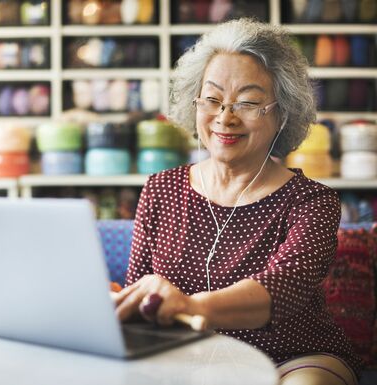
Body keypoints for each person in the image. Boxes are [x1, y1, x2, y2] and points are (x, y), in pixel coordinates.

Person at [114, 18, 361, 385]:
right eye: (212, 99)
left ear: (282, 113)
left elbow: (281, 288)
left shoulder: (312, 203)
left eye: (247, 102)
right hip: (186, 356)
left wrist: (192, 305)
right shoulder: (161, 188)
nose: (225, 118)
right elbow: (138, 291)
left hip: (289, 357)